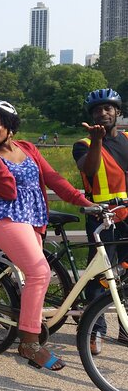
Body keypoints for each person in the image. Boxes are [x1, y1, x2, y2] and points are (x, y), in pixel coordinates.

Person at [0, 100, 94, 371]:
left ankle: (26, 319)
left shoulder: (27, 148)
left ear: (9, 125)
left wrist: (84, 202)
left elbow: (53, 178)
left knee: (34, 273)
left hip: (30, 218)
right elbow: (8, 193)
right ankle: (29, 342)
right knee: (39, 272)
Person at [72, 88, 128, 355]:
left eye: (108, 108)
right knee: (101, 275)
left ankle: (125, 328)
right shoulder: (83, 144)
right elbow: (90, 170)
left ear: (117, 112)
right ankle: (95, 330)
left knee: (126, 272)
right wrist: (97, 141)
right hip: (102, 218)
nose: (103, 113)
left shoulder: (127, 139)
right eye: (97, 110)